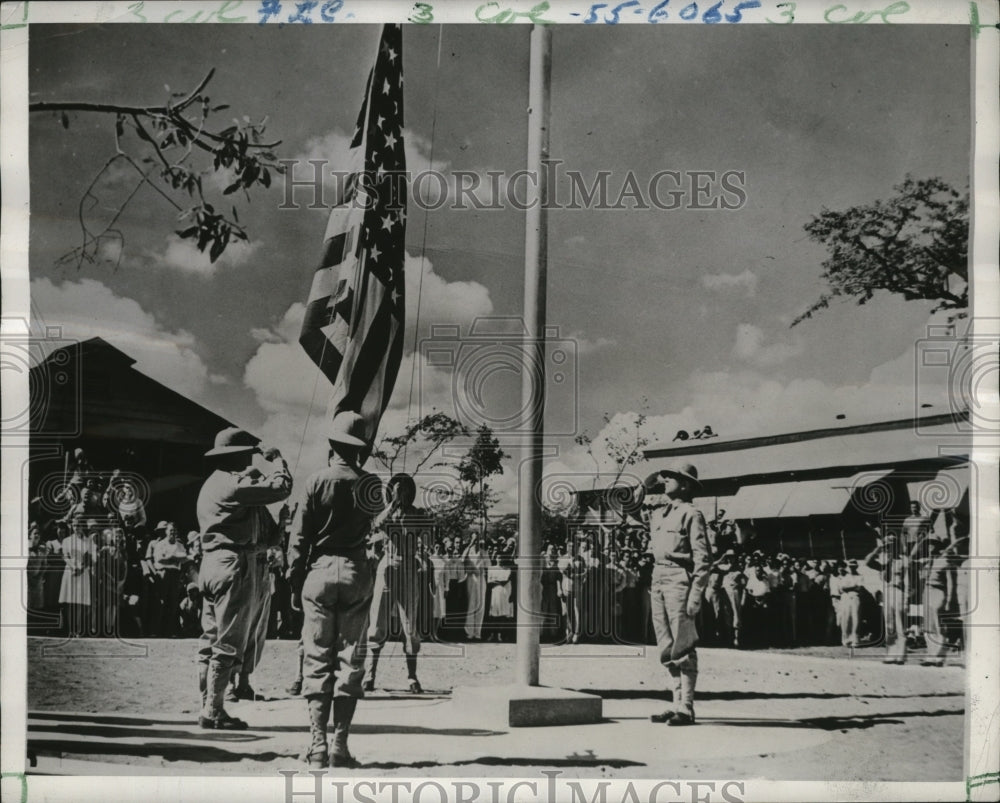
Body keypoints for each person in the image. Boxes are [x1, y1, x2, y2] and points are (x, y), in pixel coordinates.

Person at [286, 411, 382, 768]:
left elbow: (298, 539)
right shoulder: (371, 484)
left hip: (320, 570)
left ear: (332, 444)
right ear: (361, 448)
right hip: (357, 569)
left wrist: (296, 583)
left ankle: (317, 745)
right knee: (350, 659)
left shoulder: (315, 481)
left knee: (317, 658)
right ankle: (340, 745)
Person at [196, 427, 292, 730]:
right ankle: (214, 710)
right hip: (233, 565)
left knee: (209, 640)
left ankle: (207, 703)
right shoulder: (234, 485)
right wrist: (277, 460)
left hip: (211, 563)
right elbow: (281, 488)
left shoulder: (212, 484)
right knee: (228, 642)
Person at [644, 463, 711, 726]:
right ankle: (675, 704)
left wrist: (696, 593)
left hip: (678, 580)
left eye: (672, 477)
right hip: (658, 578)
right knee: (666, 646)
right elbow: (629, 503)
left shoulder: (691, 514)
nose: (665, 480)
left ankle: (686, 707)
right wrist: (650, 481)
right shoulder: (660, 514)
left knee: (683, 645)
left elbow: (703, 559)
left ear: (686, 485)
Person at [363, 472, 429, 694]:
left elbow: (427, 538)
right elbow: (377, 524)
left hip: (409, 567)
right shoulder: (387, 514)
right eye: (396, 488)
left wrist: (424, 553)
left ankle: (412, 677)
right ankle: (370, 675)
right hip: (388, 566)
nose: (401, 492)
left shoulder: (418, 514)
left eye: (404, 489)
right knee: (378, 621)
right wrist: (392, 504)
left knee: (410, 624)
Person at [59, 515, 95, 637]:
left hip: (83, 573)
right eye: (74, 525)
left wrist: (82, 569)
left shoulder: (88, 541)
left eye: (78, 525)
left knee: (79, 602)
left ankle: (78, 630)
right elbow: (65, 556)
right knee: (70, 602)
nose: (76, 527)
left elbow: (90, 558)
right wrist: (74, 567)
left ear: (82, 526)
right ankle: (70, 630)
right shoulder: (67, 541)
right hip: (70, 571)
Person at [463, 534, 489, 641]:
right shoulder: (468, 551)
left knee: (480, 606)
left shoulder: (483, 552)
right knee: (471, 605)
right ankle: (469, 632)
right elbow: (462, 559)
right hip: (471, 578)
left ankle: (477, 632)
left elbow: (488, 566)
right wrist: (469, 545)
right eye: (473, 539)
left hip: (481, 579)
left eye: (477, 539)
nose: (475, 541)